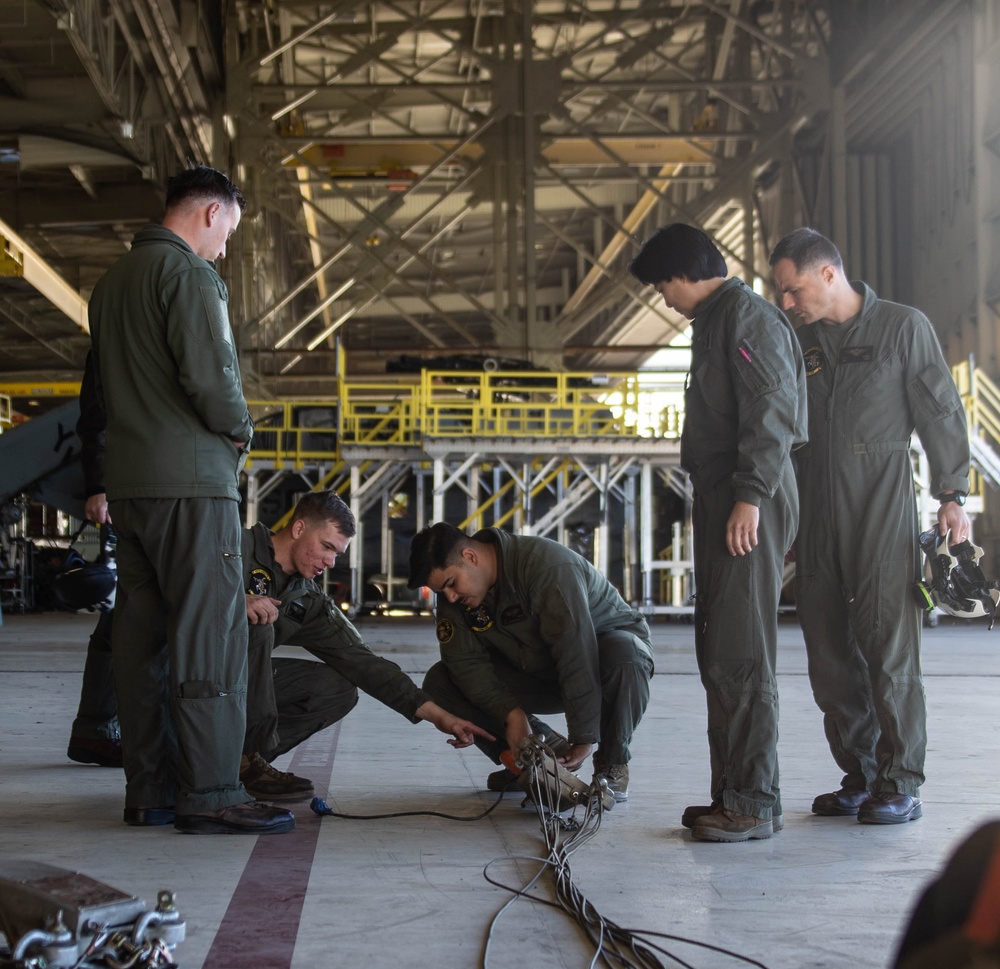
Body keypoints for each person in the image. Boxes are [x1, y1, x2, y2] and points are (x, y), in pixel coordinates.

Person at [88, 166, 291, 836]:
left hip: (132, 487)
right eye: (228, 231)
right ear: (211, 213)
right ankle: (210, 792)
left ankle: (149, 792)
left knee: (141, 642)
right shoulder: (190, 276)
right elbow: (212, 379)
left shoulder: (111, 284)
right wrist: (242, 427)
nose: (225, 249)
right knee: (210, 636)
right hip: (191, 485)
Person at [769, 228, 971, 826]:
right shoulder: (800, 344)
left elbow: (941, 410)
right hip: (818, 518)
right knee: (829, 656)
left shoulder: (902, 328)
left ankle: (901, 780)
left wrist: (952, 494)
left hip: (881, 513)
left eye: (793, 289)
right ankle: (858, 773)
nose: (786, 302)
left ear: (828, 275)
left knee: (889, 653)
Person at [631, 223, 807, 842]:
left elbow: (773, 409)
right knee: (718, 644)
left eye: (661, 287)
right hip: (726, 494)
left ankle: (755, 802)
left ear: (683, 274)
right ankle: (731, 792)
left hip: (745, 495)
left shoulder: (746, 318)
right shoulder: (714, 323)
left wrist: (749, 497)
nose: (663, 299)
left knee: (741, 647)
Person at [238, 492, 491, 797]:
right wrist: (236, 601)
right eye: (327, 547)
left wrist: (439, 716)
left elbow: (361, 660)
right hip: (186, 678)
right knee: (258, 626)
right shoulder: (234, 547)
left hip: (239, 681)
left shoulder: (306, 598)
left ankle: (240, 763)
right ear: (299, 529)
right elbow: (173, 590)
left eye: (338, 555)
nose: (330, 562)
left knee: (336, 689)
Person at [407, 522, 654, 804]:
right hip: (538, 673)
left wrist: (584, 737)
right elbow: (464, 662)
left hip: (598, 666)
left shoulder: (547, 568)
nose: (449, 597)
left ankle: (612, 764)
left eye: (451, 584)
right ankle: (532, 759)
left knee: (625, 654)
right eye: (442, 591)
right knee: (441, 682)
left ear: (471, 557)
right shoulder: (456, 596)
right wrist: (512, 715)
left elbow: (575, 651)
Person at [66, 353, 121, 767]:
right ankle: (98, 729)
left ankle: (98, 729)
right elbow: (96, 420)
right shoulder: (114, 341)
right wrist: (99, 484)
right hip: (127, 494)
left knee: (123, 617)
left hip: (149, 490)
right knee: (125, 616)